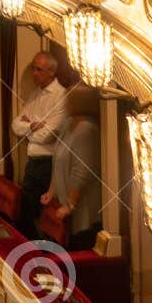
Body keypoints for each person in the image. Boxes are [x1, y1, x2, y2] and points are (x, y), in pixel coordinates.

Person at [11, 52, 67, 234]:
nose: (34, 73)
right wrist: (32, 126)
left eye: (38, 70)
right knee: (26, 214)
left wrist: (28, 128)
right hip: (32, 163)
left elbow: (47, 135)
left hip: (48, 165)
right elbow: (15, 125)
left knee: (41, 218)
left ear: (51, 72)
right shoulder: (35, 94)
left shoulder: (61, 96)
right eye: (33, 69)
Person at [42, 87, 102, 250]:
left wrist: (70, 204)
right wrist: (51, 191)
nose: (65, 103)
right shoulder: (68, 123)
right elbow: (58, 160)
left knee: (75, 248)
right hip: (64, 205)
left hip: (82, 210)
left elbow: (83, 172)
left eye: (69, 99)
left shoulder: (86, 129)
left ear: (80, 103)